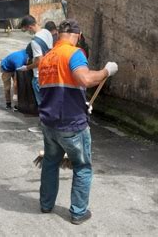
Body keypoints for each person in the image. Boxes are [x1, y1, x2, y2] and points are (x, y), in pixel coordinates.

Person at [37, 19, 118, 225]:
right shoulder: (74, 54)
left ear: (58, 35)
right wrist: (107, 71)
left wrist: (82, 102)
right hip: (71, 124)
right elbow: (85, 80)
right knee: (82, 166)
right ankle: (78, 212)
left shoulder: (46, 58)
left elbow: (58, 89)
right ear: (78, 36)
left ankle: (46, 204)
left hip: (49, 123)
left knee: (50, 163)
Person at [17, 15, 53, 132]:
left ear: (30, 26)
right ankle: (50, 126)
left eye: (27, 29)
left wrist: (27, 67)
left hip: (39, 76)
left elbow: (39, 61)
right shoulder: (47, 32)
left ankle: (43, 128)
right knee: (50, 102)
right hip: (50, 73)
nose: (28, 31)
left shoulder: (35, 42)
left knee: (42, 103)